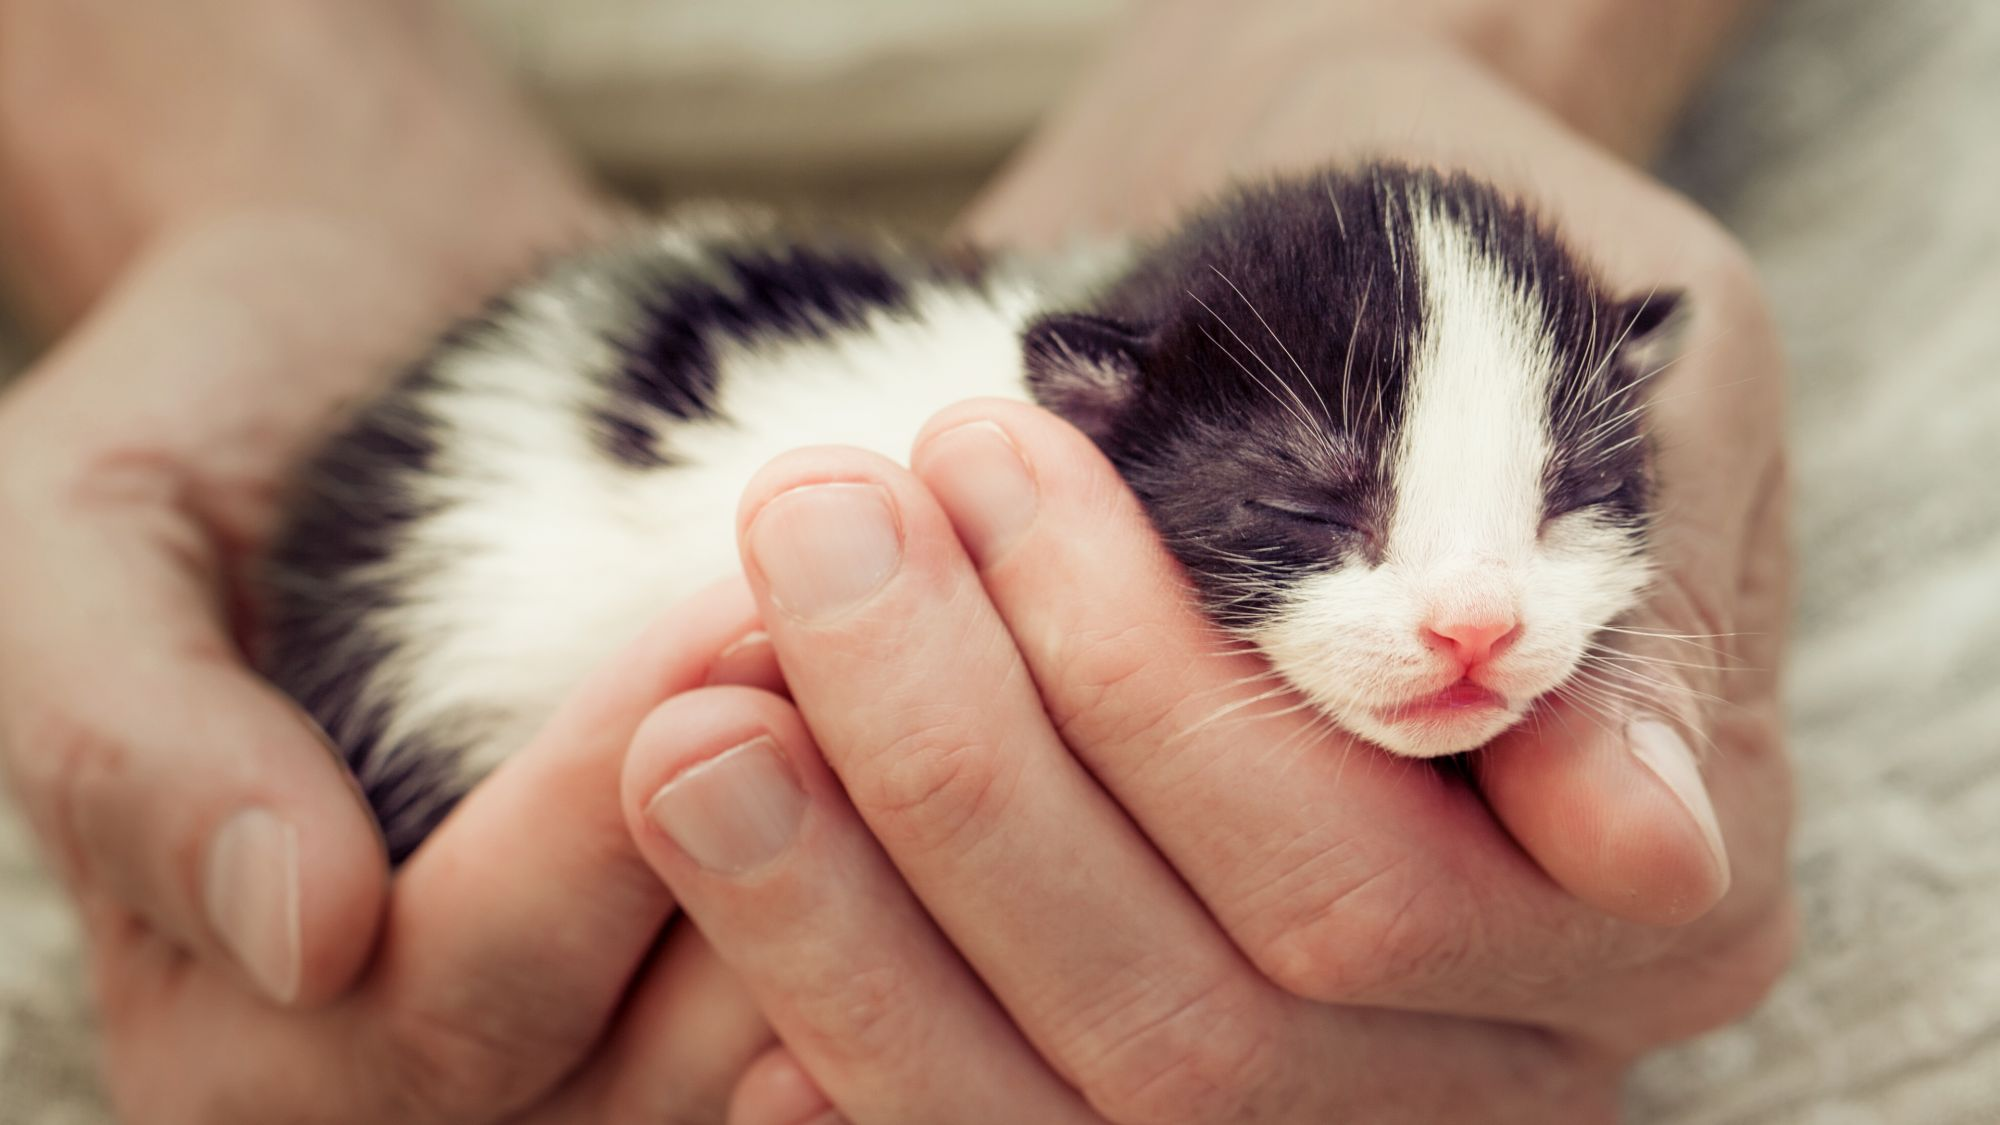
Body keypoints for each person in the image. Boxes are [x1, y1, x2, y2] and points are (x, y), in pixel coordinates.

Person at [0, 0, 1794, 1121]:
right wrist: (246, 166)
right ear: (1097, 410)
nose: (1480, 612)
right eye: (1331, 513)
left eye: (1564, 505)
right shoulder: (967, 466)